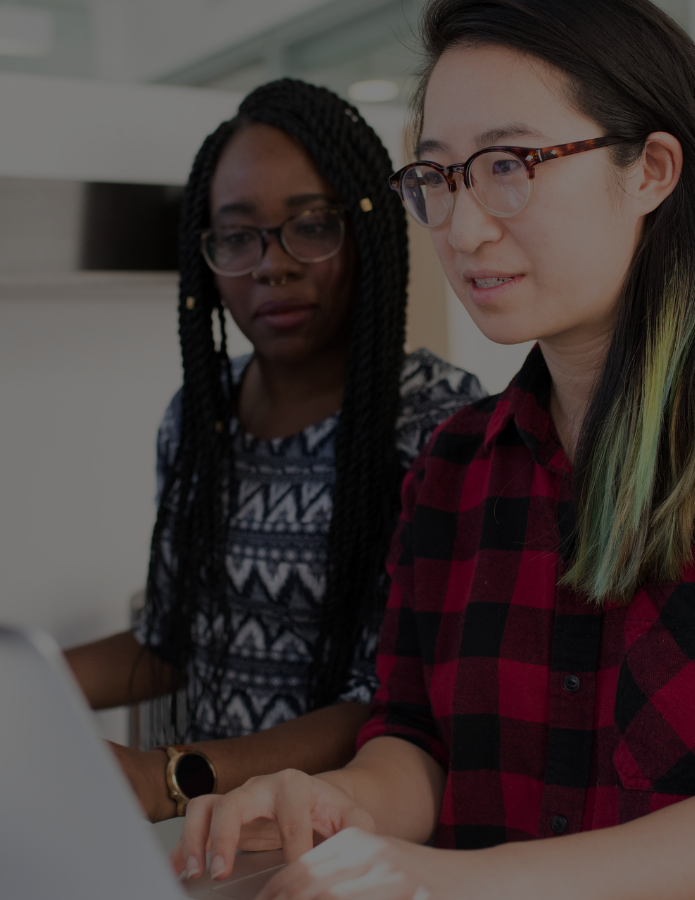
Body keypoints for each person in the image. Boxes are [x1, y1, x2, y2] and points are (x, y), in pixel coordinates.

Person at [173, 2, 695, 898]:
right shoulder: (456, 462)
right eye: (437, 177)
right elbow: (418, 743)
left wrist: (456, 882)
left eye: (510, 166)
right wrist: (335, 803)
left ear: (653, 171)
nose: (463, 228)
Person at [65, 79, 485, 823]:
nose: (272, 264)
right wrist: (5, 686)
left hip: (348, 836)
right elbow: (169, 639)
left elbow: (391, 702)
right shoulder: (199, 419)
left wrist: (169, 778)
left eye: (311, 226)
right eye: (237, 236)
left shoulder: (437, 425)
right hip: (214, 838)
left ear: (367, 231)